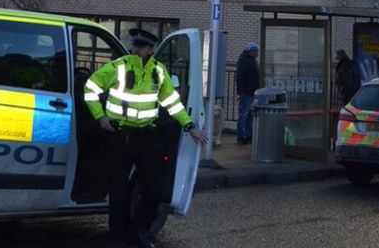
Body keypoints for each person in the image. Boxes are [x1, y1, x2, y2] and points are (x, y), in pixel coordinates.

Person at [83, 29, 207, 248]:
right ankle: (119, 237)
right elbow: (90, 88)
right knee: (118, 189)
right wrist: (101, 118)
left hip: (146, 136)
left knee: (154, 188)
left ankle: (138, 231)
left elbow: (173, 104)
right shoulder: (120, 66)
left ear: (150, 48)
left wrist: (189, 126)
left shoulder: (159, 72)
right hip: (120, 135)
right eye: (135, 45)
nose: (136, 49)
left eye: (141, 46)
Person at [235, 41, 260, 144]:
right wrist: (240, 91)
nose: (257, 53)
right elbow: (240, 77)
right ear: (251, 51)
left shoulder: (250, 60)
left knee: (249, 114)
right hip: (246, 92)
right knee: (244, 114)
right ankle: (242, 135)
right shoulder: (244, 60)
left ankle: (248, 135)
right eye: (256, 51)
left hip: (251, 91)